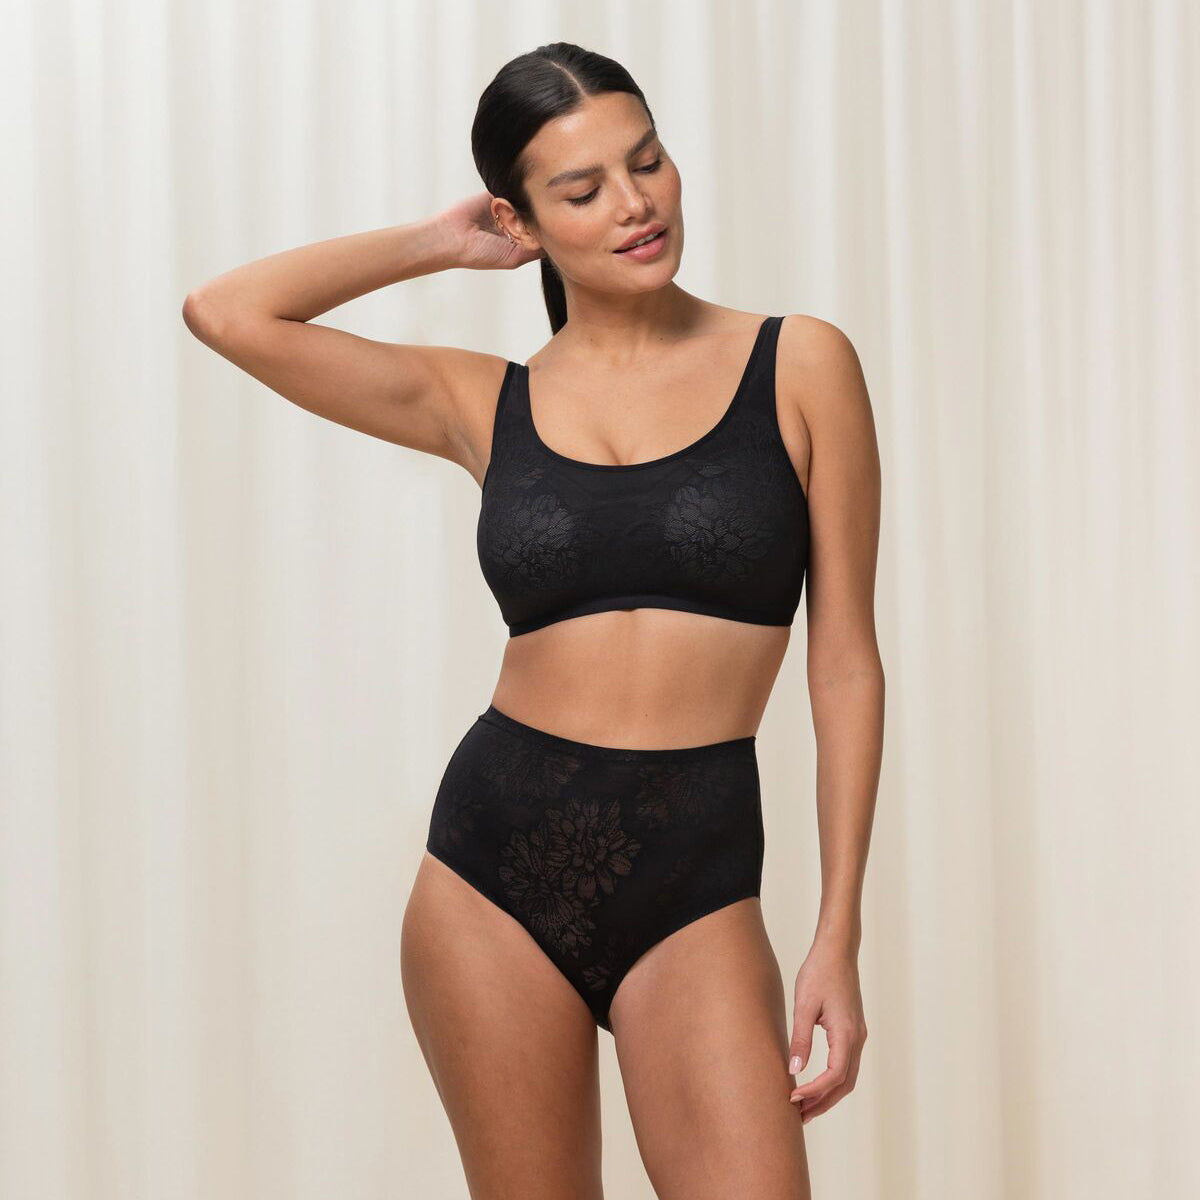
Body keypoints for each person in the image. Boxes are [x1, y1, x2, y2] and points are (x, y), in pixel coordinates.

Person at [183, 39, 883, 1200]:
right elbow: (225, 312)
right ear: (523, 218)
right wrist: (441, 243)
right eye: (583, 189)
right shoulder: (483, 399)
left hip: (697, 868)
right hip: (490, 874)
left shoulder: (798, 363)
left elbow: (845, 664)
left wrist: (839, 934)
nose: (635, 204)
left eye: (646, 162)